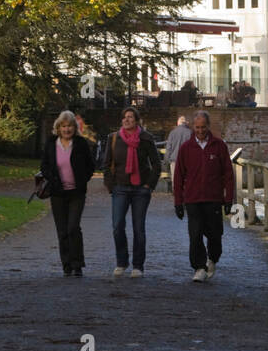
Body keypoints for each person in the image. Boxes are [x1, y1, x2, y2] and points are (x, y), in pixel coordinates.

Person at [173, 111, 235, 282]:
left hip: (213, 198)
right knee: (195, 234)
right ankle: (199, 267)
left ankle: (213, 258)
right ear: (193, 127)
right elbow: (178, 176)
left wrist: (229, 199)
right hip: (193, 199)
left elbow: (228, 175)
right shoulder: (186, 148)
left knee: (215, 235)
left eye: (203, 127)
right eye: (197, 127)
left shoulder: (219, 146)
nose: (200, 131)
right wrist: (178, 202)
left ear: (208, 126)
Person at [102, 107, 163, 277]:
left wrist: (149, 185)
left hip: (140, 189)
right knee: (117, 226)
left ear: (136, 121)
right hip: (120, 188)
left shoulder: (146, 138)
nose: (127, 120)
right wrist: (111, 186)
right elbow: (106, 164)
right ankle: (121, 262)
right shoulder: (114, 138)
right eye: (124, 117)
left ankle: (138, 265)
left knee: (138, 228)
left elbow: (156, 164)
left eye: (130, 117)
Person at [40, 111, 96, 277]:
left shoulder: (81, 143)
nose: (67, 129)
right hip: (57, 192)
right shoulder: (51, 144)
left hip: (76, 193)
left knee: (73, 227)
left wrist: (83, 179)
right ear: (58, 127)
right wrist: (51, 178)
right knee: (62, 230)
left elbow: (90, 165)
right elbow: (44, 165)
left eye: (70, 126)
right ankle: (67, 265)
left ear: (75, 127)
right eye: (64, 126)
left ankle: (77, 263)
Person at [164, 115, 192, 193]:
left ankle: (176, 194)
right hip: (186, 160)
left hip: (174, 159)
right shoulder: (190, 132)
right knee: (186, 177)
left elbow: (168, 147)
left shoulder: (172, 133)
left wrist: (167, 160)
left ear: (178, 122)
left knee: (175, 178)